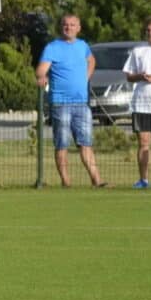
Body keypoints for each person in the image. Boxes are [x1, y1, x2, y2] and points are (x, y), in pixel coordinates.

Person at [36, 13, 104, 188]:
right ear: (61, 27)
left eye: (73, 25)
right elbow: (41, 70)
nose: (69, 28)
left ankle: (97, 181)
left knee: (86, 143)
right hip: (61, 103)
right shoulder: (52, 47)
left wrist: (86, 76)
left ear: (78, 28)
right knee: (62, 144)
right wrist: (42, 77)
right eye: (66, 24)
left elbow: (91, 60)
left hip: (82, 104)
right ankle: (66, 183)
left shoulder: (83, 46)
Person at [125, 15, 151, 188]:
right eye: (148, 30)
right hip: (141, 104)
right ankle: (143, 180)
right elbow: (129, 76)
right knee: (143, 143)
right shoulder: (138, 51)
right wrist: (140, 76)